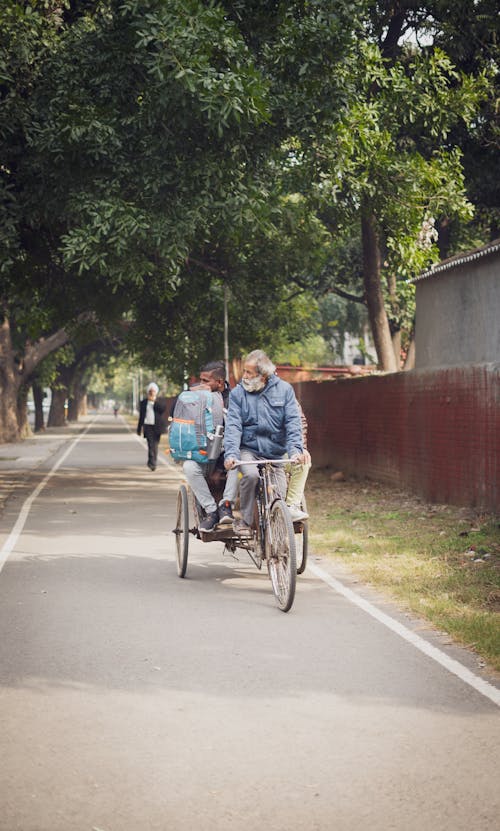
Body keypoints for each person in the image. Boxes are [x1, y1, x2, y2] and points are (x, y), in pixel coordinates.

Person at [224, 350, 306, 536]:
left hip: (275, 451)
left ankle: (278, 536)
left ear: (264, 376)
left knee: (279, 495)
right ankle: (245, 520)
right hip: (249, 450)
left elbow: (293, 424)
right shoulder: (238, 394)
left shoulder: (285, 390)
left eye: (249, 373)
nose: (244, 376)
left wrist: (295, 451)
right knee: (251, 476)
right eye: (244, 371)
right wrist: (231, 455)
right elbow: (233, 427)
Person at [179, 361, 239, 532]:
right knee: (189, 467)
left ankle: (226, 506)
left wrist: (222, 466)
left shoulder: (234, 399)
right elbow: (177, 416)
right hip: (204, 456)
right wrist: (191, 394)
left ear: (219, 383)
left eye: (206, 381)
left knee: (237, 460)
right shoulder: (195, 397)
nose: (202, 385)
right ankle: (211, 511)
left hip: (227, 455)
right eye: (201, 380)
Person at [136, 382, 167, 471]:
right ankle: (151, 463)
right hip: (147, 426)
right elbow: (141, 416)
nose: (151, 393)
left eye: (153, 391)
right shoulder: (144, 402)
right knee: (150, 444)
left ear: (156, 392)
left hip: (157, 427)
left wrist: (154, 401)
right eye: (150, 391)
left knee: (155, 445)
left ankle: (154, 461)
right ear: (148, 392)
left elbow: (162, 410)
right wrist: (139, 428)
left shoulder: (159, 401)